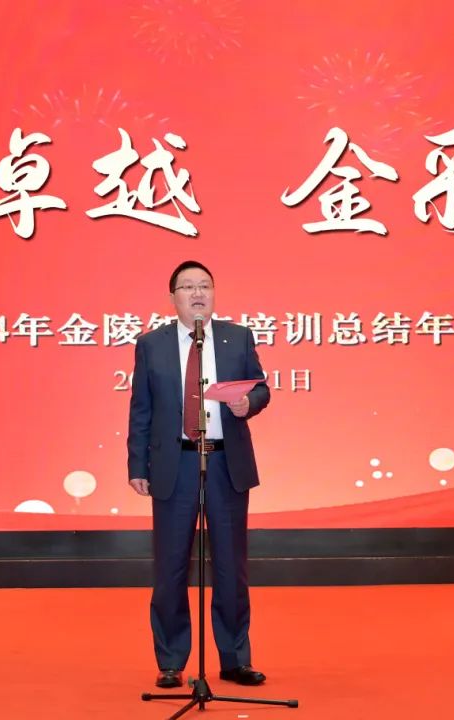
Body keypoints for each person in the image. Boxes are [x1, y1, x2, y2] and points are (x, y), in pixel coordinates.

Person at [127, 260, 270, 689]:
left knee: (230, 566)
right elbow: (141, 409)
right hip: (176, 464)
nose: (197, 293)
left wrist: (249, 403)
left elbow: (260, 387)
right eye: (187, 287)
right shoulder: (151, 344)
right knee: (171, 566)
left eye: (204, 285)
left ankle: (235, 659)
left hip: (226, 463)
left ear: (214, 293)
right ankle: (171, 660)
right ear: (173, 297)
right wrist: (137, 465)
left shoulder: (237, 337)